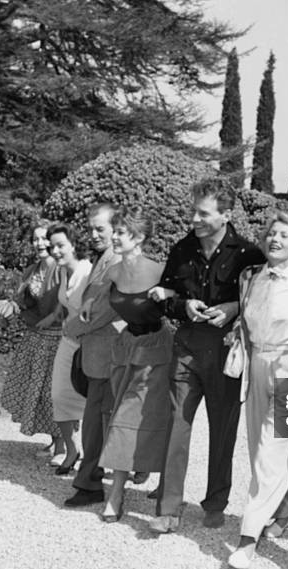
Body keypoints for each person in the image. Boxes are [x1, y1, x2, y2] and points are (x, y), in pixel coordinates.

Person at [148, 177, 265, 533]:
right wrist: (184, 304)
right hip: (185, 348)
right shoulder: (182, 249)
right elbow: (164, 296)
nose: (194, 219)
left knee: (223, 430)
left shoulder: (250, 255)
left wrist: (233, 307)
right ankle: (168, 506)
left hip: (226, 355)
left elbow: (263, 304)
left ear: (226, 215)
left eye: (203, 213)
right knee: (176, 425)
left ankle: (215, 503)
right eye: (193, 212)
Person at [227, 211, 288, 569]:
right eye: (270, 234)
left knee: (269, 455)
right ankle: (282, 515)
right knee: (259, 452)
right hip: (256, 368)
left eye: (284, 235)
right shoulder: (249, 277)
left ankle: (246, 540)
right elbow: (247, 319)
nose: (275, 240)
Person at [96, 205, 172, 522]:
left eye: (120, 232)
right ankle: (154, 474)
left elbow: (182, 303)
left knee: (127, 418)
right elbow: (97, 297)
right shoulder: (112, 271)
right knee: (124, 414)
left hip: (155, 350)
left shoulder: (158, 270)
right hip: (125, 348)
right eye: (113, 231)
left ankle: (116, 494)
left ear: (138, 238)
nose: (113, 237)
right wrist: (87, 307)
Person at [63, 203, 123, 508]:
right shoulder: (105, 259)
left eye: (101, 228)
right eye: (91, 228)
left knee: (96, 425)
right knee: (97, 422)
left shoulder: (116, 262)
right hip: (98, 355)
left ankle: (89, 484)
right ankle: (93, 479)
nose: (94, 234)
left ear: (116, 228)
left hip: (107, 355)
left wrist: (71, 327)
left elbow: (103, 309)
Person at [0, 220, 64, 457]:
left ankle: (64, 446)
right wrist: (10, 306)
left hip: (57, 338)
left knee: (53, 393)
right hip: (35, 337)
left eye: (44, 238)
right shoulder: (32, 270)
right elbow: (23, 301)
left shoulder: (62, 268)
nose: (40, 243)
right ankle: (54, 440)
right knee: (36, 391)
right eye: (35, 239)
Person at [48, 223, 92, 476]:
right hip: (69, 342)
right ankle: (71, 449)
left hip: (90, 343)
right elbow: (66, 304)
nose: (55, 250)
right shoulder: (64, 271)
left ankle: (99, 457)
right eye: (52, 245)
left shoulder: (87, 272)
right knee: (59, 395)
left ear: (74, 244)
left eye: (60, 245)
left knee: (94, 402)